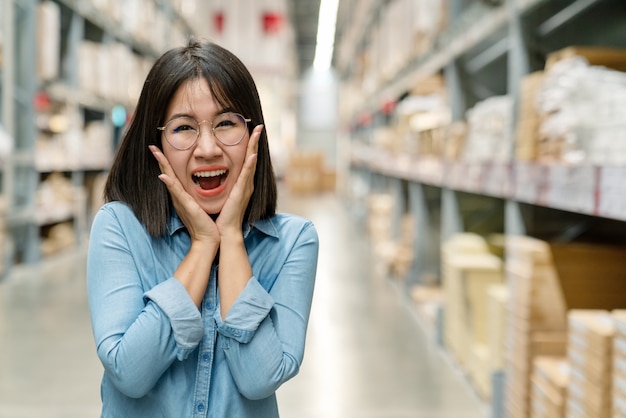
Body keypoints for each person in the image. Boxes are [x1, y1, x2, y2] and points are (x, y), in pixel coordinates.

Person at [87, 38, 319, 417]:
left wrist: (230, 238)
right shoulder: (119, 227)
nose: (208, 148)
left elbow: (259, 378)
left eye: (227, 123)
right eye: (184, 128)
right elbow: (129, 372)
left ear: (254, 134)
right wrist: (202, 245)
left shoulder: (295, 242)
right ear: (155, 144)